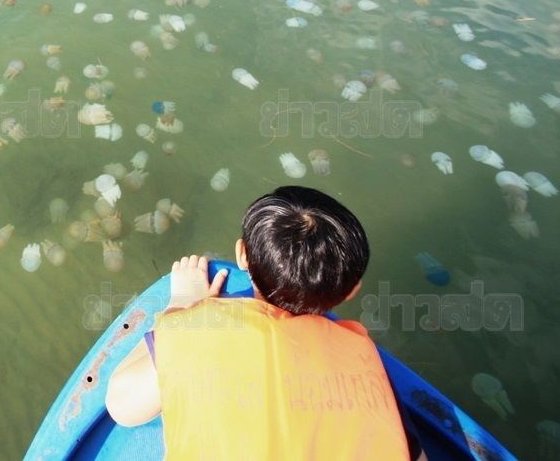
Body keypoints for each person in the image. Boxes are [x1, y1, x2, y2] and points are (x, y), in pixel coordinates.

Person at [106, 186, 425, 460]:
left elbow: (122, 406)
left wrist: (182, 307)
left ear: (242, 254)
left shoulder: (204, 329)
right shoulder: (362, 361)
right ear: (353, 290)